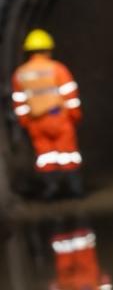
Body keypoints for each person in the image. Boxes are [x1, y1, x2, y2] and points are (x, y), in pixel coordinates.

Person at [10, 29, 84, 199]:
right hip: (58, 117)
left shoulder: (20, 74)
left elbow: (19, 99)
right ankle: (74, 189)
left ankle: (51, 190)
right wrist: (74, 114)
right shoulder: (57, 69)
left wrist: (24, 120)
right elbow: (69, 93)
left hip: (35, 121)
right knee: (68, 153)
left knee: (46, 156)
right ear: (47, 49)